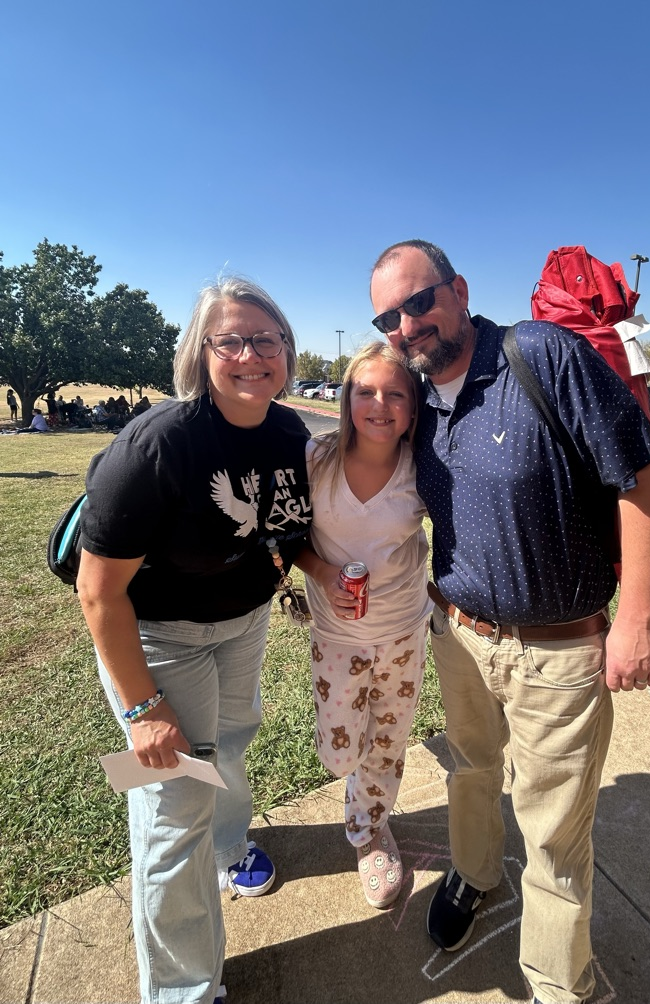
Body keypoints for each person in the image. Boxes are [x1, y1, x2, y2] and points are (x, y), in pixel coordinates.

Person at [370, 240, 650, 1004]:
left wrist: (636, 616)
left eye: (419, 301)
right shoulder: (416, 400)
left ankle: (556, 984)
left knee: (556, 842)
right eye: (387, 316)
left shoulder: (540, 355)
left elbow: (641, 477)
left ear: (458, 290)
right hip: (461, 639)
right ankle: (474, 875)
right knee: (471, 772)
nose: (407, 324)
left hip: (560, 649)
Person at [76, 277, 311, 1004]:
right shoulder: (157, 443)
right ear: (200, 355)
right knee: (173, 805)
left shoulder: (289, 430)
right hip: (160, 640)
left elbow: (284, 531)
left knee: (231, 742)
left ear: (286, 350)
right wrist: (143, 708)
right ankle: (183, 991)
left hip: (245, 623)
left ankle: (229, 848)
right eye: (229, 340)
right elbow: (99, 592)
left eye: (265, 338)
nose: (250, 354)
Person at [295, 342, 431, 909]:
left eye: (395, 393)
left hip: (403, 630)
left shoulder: (425, 468)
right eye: (366, 391)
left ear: (413, 405)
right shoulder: (314, 459)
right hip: (336, 635)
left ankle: (370, 831)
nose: (380, 404)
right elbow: (284, 536)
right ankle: (357, 792)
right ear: (347, 398)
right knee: (341, 748)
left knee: (387, 740)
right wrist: (323, 572)